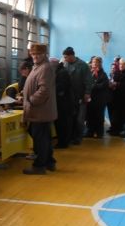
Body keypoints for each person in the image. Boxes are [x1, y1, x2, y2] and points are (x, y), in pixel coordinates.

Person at [22, 43, 57, 174]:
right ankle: (49, 162)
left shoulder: (45, 68)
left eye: (38, 54)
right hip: (39, 110)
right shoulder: (38, 67)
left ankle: (39, 166)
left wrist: (31, 100)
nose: (35, 56)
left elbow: (44, 90)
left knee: (40, 139)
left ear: (44, 54)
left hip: (40, 110)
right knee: (44, 138)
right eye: (33, 54)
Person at [62, 46, 93, 145]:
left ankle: (78, 137)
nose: (64, 59)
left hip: (80, 96)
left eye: (66, 57)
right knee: (71, 117)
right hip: (69, 96)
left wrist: (87, 93)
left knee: (80, 119)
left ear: (71, 56)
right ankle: (71, 136)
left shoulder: (83, 65)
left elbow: (89, 80)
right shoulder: (65, 64)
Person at [50, 57, 74, 149]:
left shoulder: (62, 73)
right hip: (63, 103)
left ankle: (62, 143)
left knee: (62, 124)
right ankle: (63, 141)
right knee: (62, 124)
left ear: (53, 65)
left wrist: (49, 90)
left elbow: (60, 87)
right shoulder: (60, 71)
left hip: (63, 104)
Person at [86, 56, 111, 138]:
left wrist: (93, 85)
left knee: (99, 116)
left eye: (96, 62)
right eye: (93, 62)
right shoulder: (90, 72)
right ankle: (90, 132)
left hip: (100, 100)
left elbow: (103, 85)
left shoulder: (103, 74)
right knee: (90, 116)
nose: (94, 64)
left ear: (100, 64)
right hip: (91, 99)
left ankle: (99, 133)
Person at [109, 57, 125, 137]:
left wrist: (116, 84)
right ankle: (117, 130)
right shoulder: (117, 73)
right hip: (117, 98)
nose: (121, 65)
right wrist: (112, 85)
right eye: (120, 64)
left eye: (123, 64)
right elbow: (113, 81)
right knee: (117, 115)